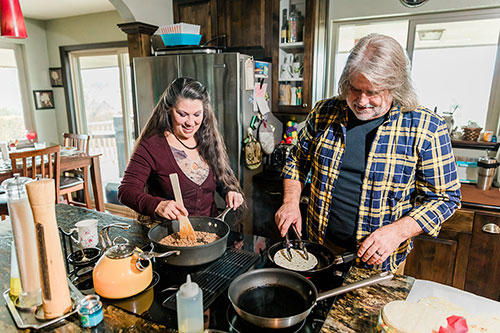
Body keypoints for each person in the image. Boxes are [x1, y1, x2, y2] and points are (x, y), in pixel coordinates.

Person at [275, 34, 461, 273]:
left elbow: (445, 198)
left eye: (373, 92)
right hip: (320, 250)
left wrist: (397, 232)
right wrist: (290, 203)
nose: (362, 101)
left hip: (380, 261)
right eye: (354, 89)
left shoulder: (426, 127)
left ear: (396, 87)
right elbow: (296, 160)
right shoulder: (324, 113)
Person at [118, 77, 244, 223]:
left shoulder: (206, 138)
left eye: (197, 114)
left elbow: (219, 179)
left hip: (209, 232)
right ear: (169, 109)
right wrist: (157, 205)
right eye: (182, 114)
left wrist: (229, 191)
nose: (190, 123)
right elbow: (126, 191)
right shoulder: (152, 146)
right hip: (169, 234)